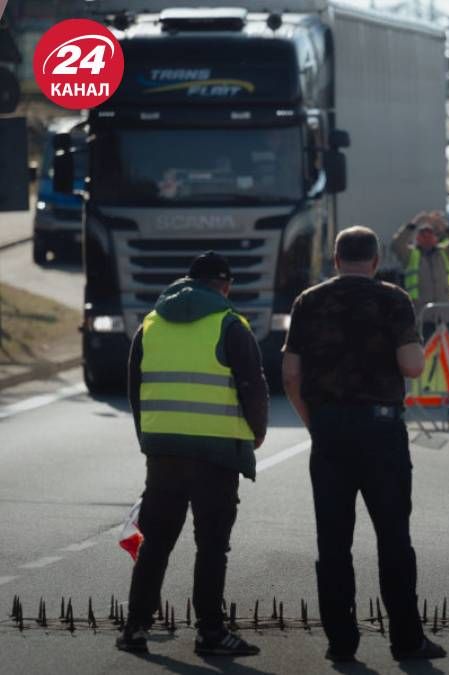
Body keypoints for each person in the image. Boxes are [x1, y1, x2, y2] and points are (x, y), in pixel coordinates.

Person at [281, 226, 445, 662]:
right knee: (393, 537)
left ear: (335, 260)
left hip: (330, 432)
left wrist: (314, 422)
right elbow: (411, 367)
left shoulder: (308, 302)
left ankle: (341, 641)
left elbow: (291, 375)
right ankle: (407, 640)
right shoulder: (392, 299)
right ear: (374, 261)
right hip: (382, 433)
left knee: (333, 542)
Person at [117, 251, 268, 656]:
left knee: (155, 542)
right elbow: (253, 386)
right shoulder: (230, 325)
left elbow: (135, 389)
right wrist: (256, 434)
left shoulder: (150, 325)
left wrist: (148, 438)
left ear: (188, 281)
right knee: (212, 545)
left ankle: (135, 628)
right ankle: (211, 633)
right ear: (225, 285)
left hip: (164, 452)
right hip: (215, 454)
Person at [404, 222, 449, 338]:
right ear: (417, 238)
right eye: (423, 236)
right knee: (427, 351)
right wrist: (413, 224)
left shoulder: (444, 252)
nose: (427, 239)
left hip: (445, 313)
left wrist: (445, 226)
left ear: (436, 238)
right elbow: (397, 244)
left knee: (447, 352)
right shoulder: (410, 255)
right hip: (424, 314)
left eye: (430, 235)